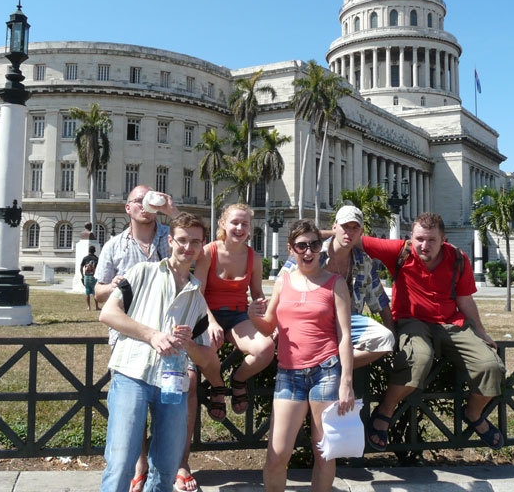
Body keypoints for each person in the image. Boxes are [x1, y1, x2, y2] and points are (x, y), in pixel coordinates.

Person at [361, 212, 506, 451]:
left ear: (443, 240)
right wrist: (308, 240)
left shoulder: (458, 258)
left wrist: (481, 331)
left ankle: (473, 413)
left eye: (431, 240)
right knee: (418, 359)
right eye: (419, 239)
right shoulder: (400, 251)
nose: (424, 245)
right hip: (411, 322)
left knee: (490, 366)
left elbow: (464, 299)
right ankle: (385, 410)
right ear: (411, 236)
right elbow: (353, 238)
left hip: (451, 324)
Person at [94, 185, 201, 492]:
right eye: (137, 200)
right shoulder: (116, 247)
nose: (144, 204)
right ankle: (139, 465)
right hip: (130, 341)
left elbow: (192, 244)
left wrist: (171, 210)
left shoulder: (169, 234)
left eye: (148, 199)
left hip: (170, 351)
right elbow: (100, 294)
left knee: (166, 449)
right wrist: (117, 286)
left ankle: (171, 464)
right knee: (125, 441)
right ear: (127, 208)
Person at [248, 219, 355, 492]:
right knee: (277, 454)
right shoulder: (283, 282)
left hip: (326, 371)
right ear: (291, 249)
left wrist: (346, 382)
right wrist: (252, 316)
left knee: (324, 451)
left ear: (322, 248)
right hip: (289, 374)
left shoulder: (335, 283)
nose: (308, 252)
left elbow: (344, 334)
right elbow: (269, 325)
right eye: (301, 246)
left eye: (314, 245)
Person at [280, 205, 395, 370]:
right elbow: (282, 283)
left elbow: (379, 299)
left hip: (348, 321)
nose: (349, 232)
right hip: (312, 318)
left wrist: (392, 332)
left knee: (385, 338)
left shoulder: (364, 261)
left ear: (361, 232)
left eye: (355, 228)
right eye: (345, 227)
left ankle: (329, 366)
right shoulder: (312, 251)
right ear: (335, 227)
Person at [193, 204, 275, 421]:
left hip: (239, 316)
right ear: (223, 224)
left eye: (244, 224)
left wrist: (266, 318)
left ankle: (238, 380)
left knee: (266, 349)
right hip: (207, 313)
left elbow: (257, 293)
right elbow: (197, 294)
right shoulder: (208, 252)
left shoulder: (254, 259)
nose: (239, 228)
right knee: (205, 348)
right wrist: (210, 322)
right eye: (235, 223)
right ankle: (217, 385)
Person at [80, 245, 100, 311]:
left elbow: (81, 266)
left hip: (86, 276)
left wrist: (82, 275)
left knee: (87, 292)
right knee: (95, 292)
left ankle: (89, 307)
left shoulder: (85, 258)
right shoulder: (96, 258)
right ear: (94, 251)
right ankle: (96, 306)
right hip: (93, 277)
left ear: (88, 251)